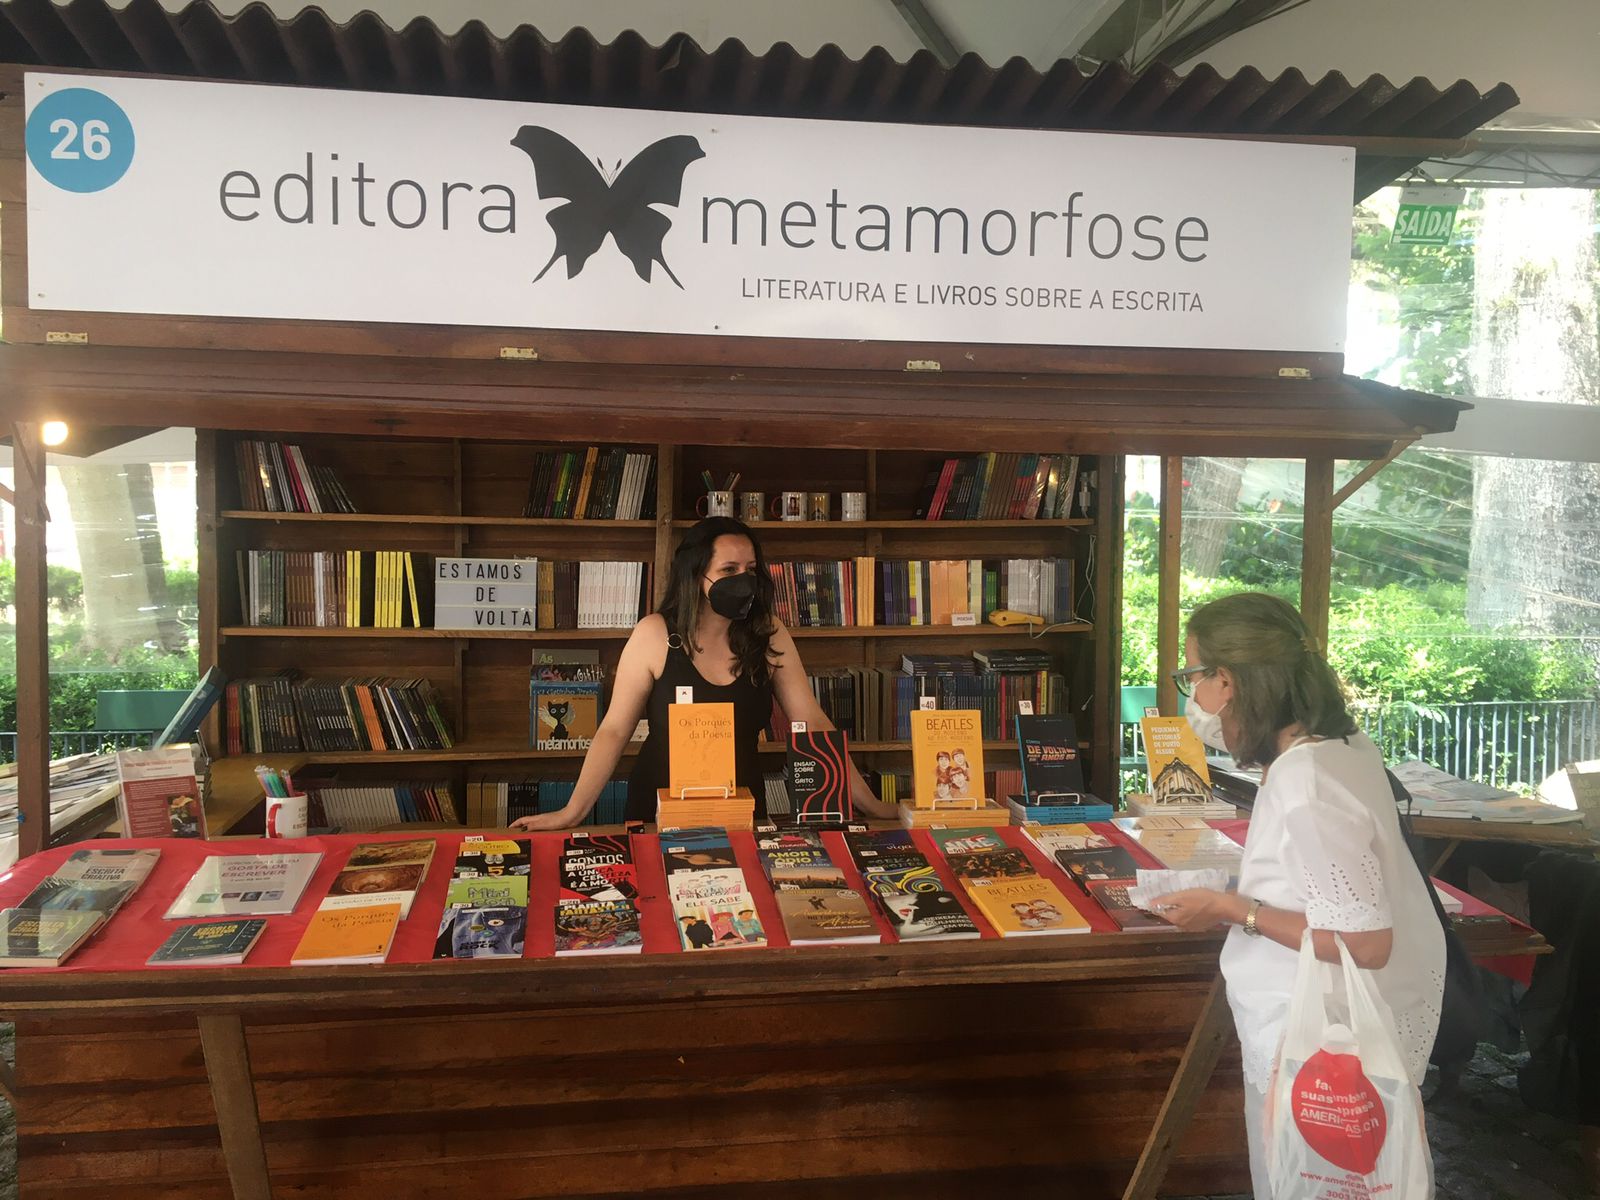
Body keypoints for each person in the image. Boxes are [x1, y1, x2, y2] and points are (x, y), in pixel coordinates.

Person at [1150, 592, 1444, 1200]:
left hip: (1318, 1035)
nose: (1192, 697)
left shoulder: (1304, 777)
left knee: (1305, 1181)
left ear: (1227, 680)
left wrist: (1233, 909)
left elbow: (1366, 943)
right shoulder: (1343, 746)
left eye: (1192, 676)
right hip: (1337, 1028)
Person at [511, 516, 895, 830]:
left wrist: (872, 806)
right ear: (696, 575)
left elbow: (812, 723)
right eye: (728, 569)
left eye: (750, 569)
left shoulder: (768, 633)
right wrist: (571, 813)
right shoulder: (654, 634)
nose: (743, 580)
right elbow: (613, 730)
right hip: (659, 811)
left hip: (742, 810)